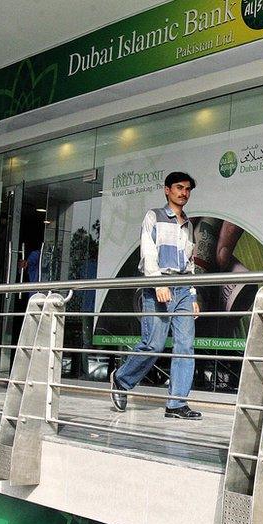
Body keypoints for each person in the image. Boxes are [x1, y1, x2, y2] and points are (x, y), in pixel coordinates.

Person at [110, 172, 202, 420]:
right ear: (167, 190)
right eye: (179, 188)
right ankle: (121, 379)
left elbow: (190, 262)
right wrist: (158, 282)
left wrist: (193, 295)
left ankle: (176, 404)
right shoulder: (154, 216)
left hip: (182, 289)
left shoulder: (188, 224)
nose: (184, 192)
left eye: (187, 189)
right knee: (154, 344)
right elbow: (148, 252)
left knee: (185, 346)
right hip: (158, 286)